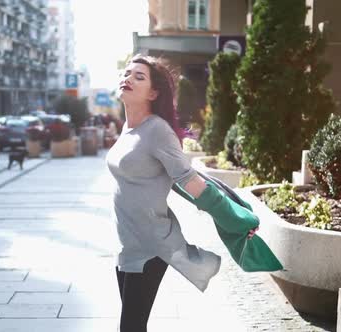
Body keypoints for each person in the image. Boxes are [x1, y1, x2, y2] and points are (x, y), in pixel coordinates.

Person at [106, 54, 258, 332]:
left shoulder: (157, 131)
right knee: (132, 326)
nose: (127, 78)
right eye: (126, 73)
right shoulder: (129, 128)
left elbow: (189, 181)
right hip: (127, 243)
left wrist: (234, 219)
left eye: (139, 76)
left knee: (130, 327)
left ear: (153, 92)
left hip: (149, 247)